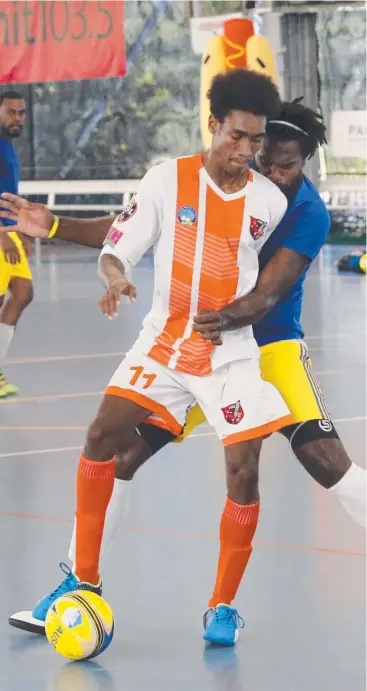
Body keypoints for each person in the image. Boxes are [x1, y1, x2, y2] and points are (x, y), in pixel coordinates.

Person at [5, 96, 366, 640]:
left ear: (304, 164)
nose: (268, 170)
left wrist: (215, 318)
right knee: (119, 453)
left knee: (325, 462)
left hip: (265, 347)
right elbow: (140, 225)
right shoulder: (216, 174)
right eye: (261, 156)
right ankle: (79, 586)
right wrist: (56, 227)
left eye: (284, 165)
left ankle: (220, 603)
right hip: (196, 345)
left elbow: (267, 296)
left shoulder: (306, 212)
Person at [0, 90, 33, 397]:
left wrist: (19, 229)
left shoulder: (7, 146)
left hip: (10, 233)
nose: (18, 118)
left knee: (22, 293)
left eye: (21, 113)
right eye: (11, 112)